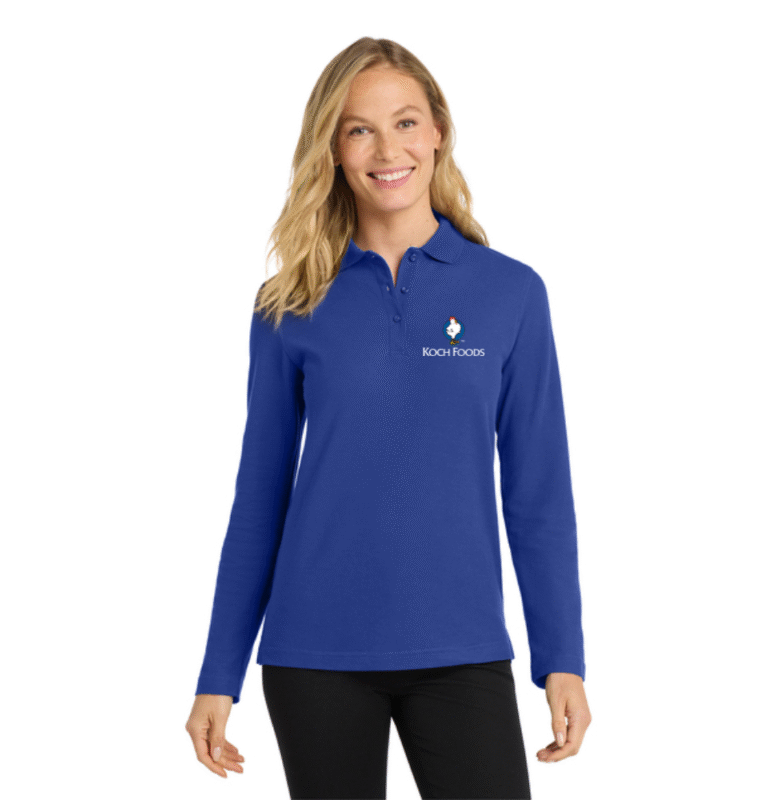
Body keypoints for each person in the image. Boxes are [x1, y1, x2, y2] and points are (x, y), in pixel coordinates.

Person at [185, 36, 591, 799]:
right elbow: (259, 499)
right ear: (333, 150)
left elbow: (539, 494)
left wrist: (560, 657)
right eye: (359, 130)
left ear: (437, 129)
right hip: (314, 656)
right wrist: (218, 673)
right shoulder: (289, 303)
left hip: (463, 648)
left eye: (405, 122)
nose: (387, 149)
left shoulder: (510, 294)